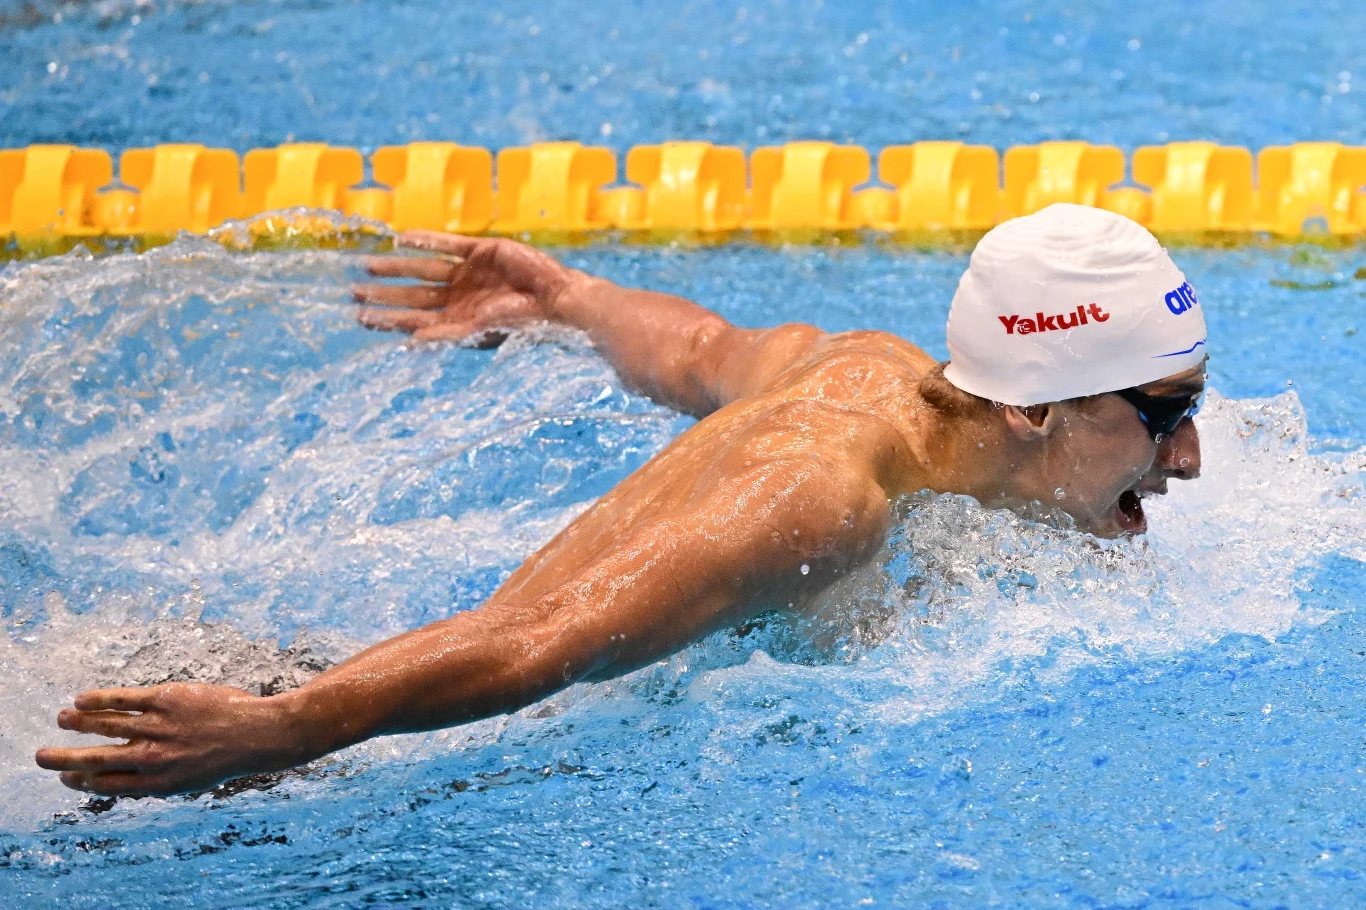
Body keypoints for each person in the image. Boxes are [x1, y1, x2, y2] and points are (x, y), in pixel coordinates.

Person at [36, 203, 1207, 797]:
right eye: (1159, 416)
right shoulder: (824, 505)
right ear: (1032, 410)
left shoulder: (865, 368)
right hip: (321, 748)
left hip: (317, 684)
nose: (1189, 457)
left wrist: (568, 293)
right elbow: (535, 646)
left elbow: (698, 350)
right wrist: (286, 728)